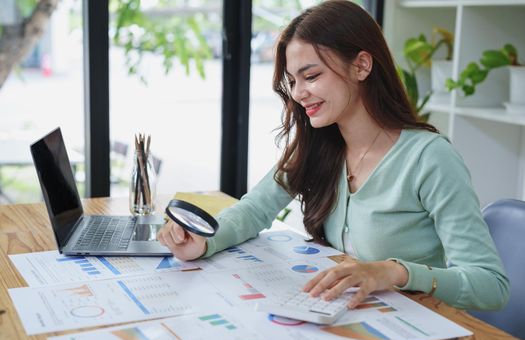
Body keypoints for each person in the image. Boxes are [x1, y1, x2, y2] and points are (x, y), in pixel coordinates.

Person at [158, 0, 509, 311]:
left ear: (361, 66)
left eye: (311, 76)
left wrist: (392, 271)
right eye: (292, 81)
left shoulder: (429, 158)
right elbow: (255, 209)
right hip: (344, 319)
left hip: (418, 327)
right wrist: (204, 243)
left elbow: (490, 286)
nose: (298, 93)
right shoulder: (320, 145)